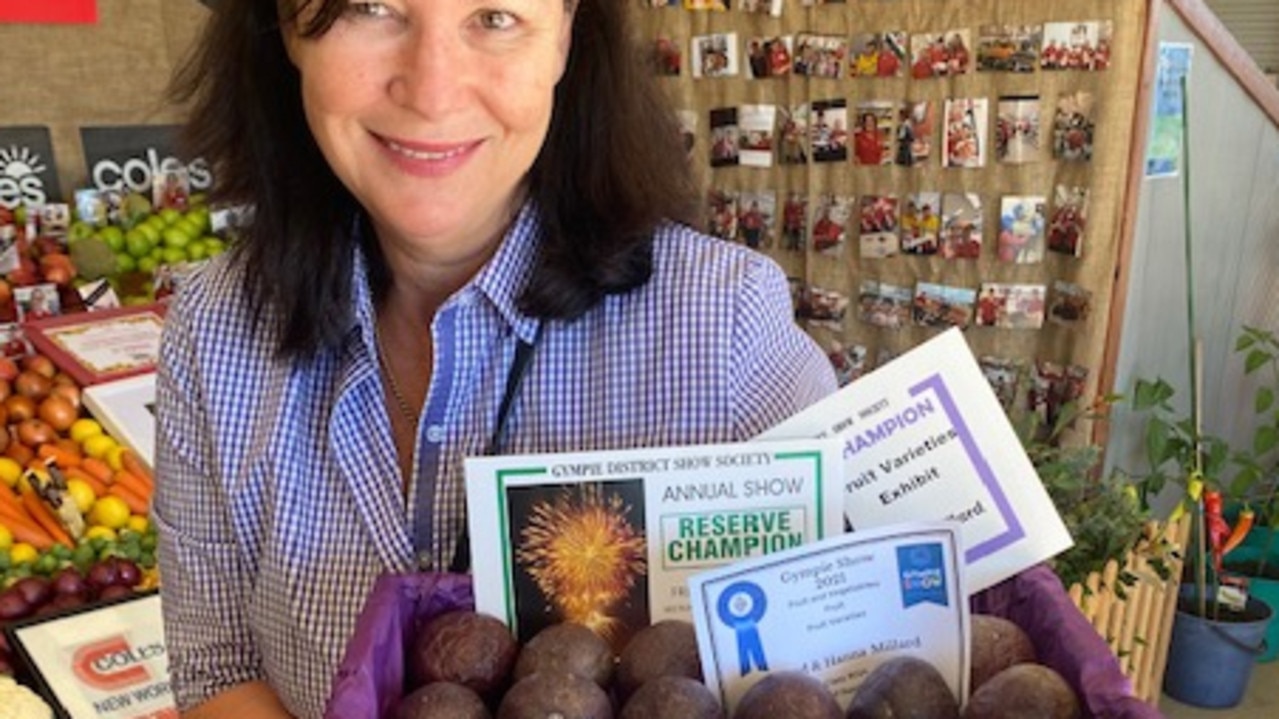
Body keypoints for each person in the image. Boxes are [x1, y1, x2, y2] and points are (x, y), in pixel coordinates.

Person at [155, 2, 836, 717]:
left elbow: (848, 664)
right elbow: (218, 666)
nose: (433, 89)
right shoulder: (214, 326)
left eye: (495, 16)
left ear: (566, 37)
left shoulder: (724, 327)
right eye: (370, 7)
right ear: (288, 27)